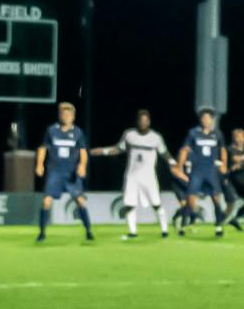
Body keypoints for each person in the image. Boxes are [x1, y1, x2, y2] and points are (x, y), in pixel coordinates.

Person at [94, 110, 174, 239]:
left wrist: (173, 162)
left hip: (149, 177)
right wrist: (103, 151)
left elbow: (164, 152)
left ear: (149, 122)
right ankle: (132, 232)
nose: (143, 123)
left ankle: (164, 230)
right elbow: (118, 149)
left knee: (156, 203)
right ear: (137, 121)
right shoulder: (129, 135)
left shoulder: (156, 137)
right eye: (141, 120)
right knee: (129, 204)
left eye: (145, 120)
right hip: (132, 176)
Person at [35, 101, 94, 242]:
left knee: (80, 200)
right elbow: (43, 148)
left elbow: (83, 152)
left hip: (72, 174)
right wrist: (39, 165)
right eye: (63, 114)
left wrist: (82, 166)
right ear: (59, 115)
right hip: (55, 173)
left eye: (68, 114)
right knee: (46, 202)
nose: (65, 116)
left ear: (73, 117)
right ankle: (42, 233)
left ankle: (88, 231)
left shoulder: (77, 132)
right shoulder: (52, 130)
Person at [176, 108, 229, 236]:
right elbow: (185, 149)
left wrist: (224, 164)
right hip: (197, 171)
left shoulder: (217, 133)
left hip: (211, 170)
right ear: (200, 120)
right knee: (191, 199)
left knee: (216, 198)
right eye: (203, 118)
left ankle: (219, 227)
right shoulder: (193, 133)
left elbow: (223, 149)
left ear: (212, 120)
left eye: (208, 118)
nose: (206, 120)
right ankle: (183, 225)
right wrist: (180, 166)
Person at [221, 128, 244, 229]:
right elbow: (236, 159)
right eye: (237, 137)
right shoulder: (230, 149)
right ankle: (220, 221)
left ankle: (234, 219)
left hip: (242, 181)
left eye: (242, 137)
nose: (240, 139)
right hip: (231, 179)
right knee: (231, 203)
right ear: (234, 138)